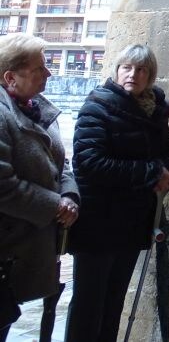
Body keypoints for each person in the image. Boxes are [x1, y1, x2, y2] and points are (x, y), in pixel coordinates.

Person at [66, 44, 169, 342]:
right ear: (117, 70)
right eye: (127, 67)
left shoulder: (154, 112)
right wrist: (151, 173)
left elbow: (168, 155)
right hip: (99, 221)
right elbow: (89, 163)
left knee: (115, 300)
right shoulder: (97, 107)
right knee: (88, 303)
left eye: (142, 69)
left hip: (132, 220)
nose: (134, 74)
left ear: (150, 76)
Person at [0, 34, 79, 342]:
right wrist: (54, 205)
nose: (48, 74)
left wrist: (69, 196)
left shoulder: (39, 109)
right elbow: (3, 185)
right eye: (39, 68)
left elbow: (63, 165)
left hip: (26, 249)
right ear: (10, 77)